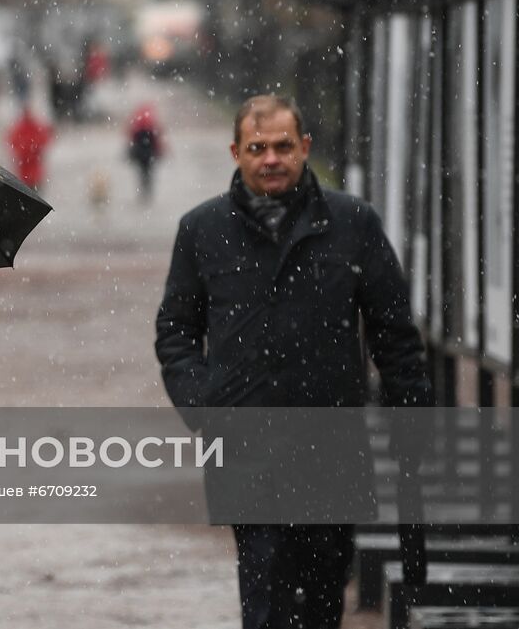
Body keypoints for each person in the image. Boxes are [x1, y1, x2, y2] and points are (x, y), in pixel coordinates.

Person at [154, 94, 433, 629]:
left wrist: (412, 419)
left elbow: (394, 333)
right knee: (264, 595)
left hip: (331, 445)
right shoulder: (203, 230)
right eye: (257, 148)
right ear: (235, 152)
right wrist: (204, 405)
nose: (271, 159)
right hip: (246, 447)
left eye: (283, 146)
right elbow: (175, 330)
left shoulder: (352, 224)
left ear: (305, 147)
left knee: (325, 597)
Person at [6, 106, 55, 190]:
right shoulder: (35, 127)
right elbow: (46, 138)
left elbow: (11, 141)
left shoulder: (19, 129)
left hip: (25, 171)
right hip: (33, 171)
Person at [125, 102, 164, 202]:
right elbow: (157, 142)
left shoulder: (137, 127)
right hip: (149, 155)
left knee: (142, 173)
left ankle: (143, 190)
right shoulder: (152, 127)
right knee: (148, 173)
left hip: (141, 155)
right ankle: (147, 190)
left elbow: (131, 140)